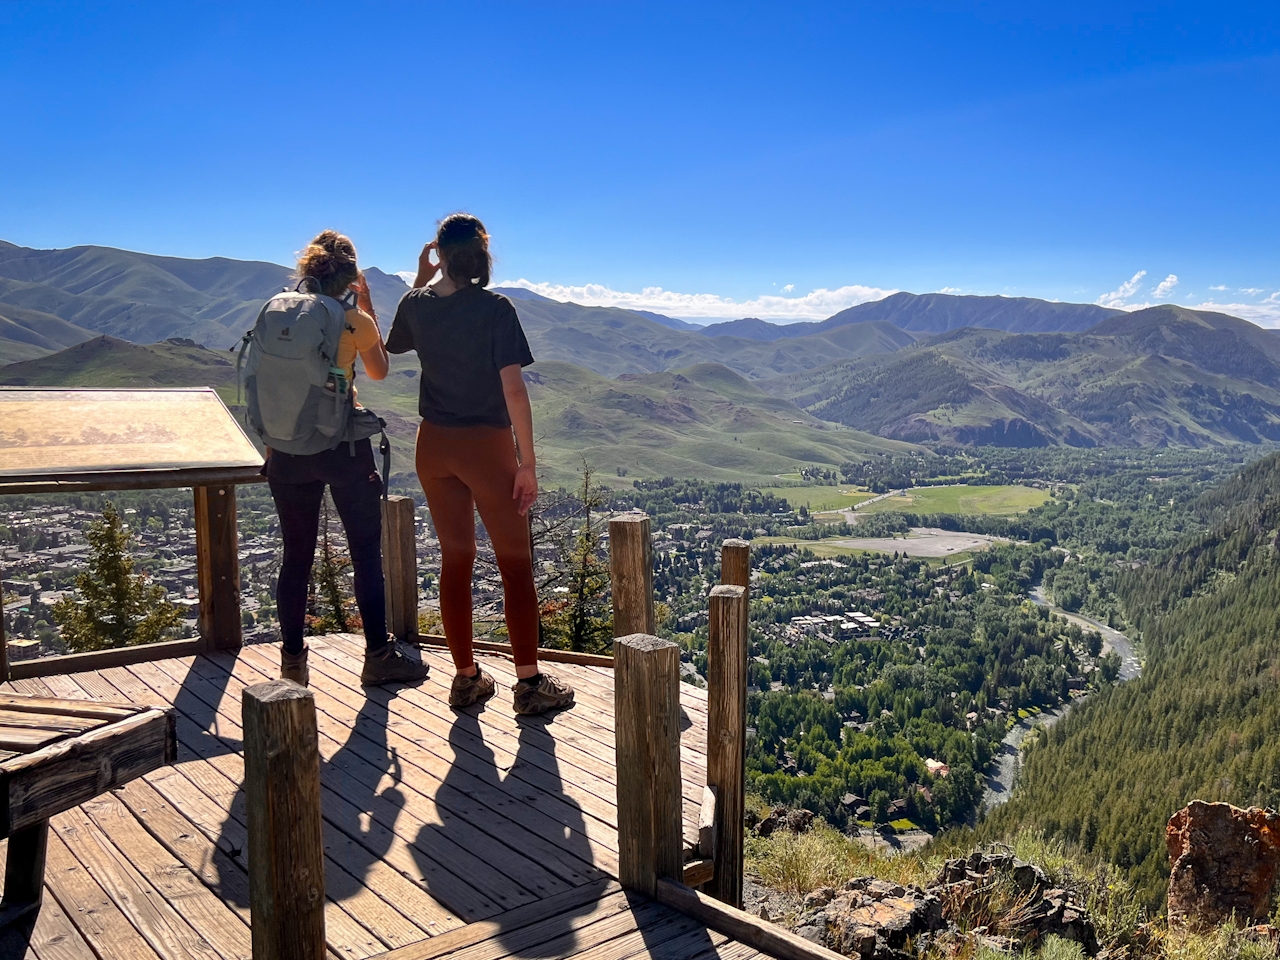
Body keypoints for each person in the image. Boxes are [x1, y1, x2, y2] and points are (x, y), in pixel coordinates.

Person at [386, 214, 575, 715]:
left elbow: (396, 341)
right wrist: (527, 462)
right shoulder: (495, 308)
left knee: (456, 560)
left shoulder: (417, 303)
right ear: (483, 255)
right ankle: (530, 684)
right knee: (515, 565)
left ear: (439, 252)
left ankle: (466, 678)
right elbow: (513, 389)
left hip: (433, 446)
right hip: (486, 446)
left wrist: (422, 278)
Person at [270, 230, 428, 687]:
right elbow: (378, 371)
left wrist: (272, 448)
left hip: (286, 446)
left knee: (295, 555)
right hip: (340, 443)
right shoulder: (353, 317)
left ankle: (293, 664)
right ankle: (378, 654)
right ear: (352, 275)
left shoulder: (282, 311)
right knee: (364, 552)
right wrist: (368, 308)